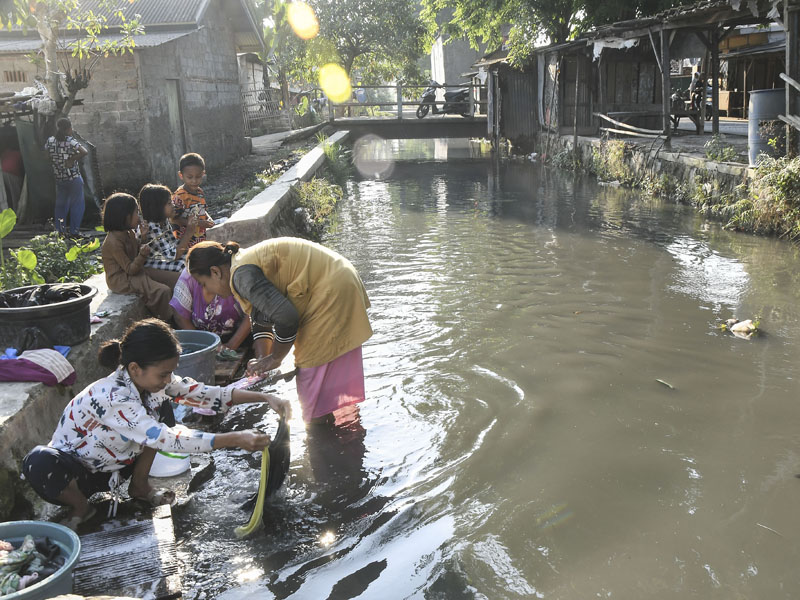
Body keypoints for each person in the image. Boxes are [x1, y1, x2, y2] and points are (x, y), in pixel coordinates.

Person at [22, 318, 290, 530]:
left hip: (112, 470)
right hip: (74, 474)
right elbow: (166, 439)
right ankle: (81, 508)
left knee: (160, 412)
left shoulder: (152, 383)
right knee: (38, 460)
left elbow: (208, 395)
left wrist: (265, 397)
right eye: (163, 373)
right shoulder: (112, 397)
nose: (168, 379)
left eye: (170, 372)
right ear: (136, 368)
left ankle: (140, 486)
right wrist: (235, 438)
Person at [186, 238, 372, 424]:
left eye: (203, 283)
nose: (206, 290)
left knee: (310, 380)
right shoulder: (240, 265)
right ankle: (344, 434)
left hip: (331, 291)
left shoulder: (240, 276)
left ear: (215, 272)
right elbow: (262, 318)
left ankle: (321, 436)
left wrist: (276, 357)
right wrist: (263, 361)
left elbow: (286, 318)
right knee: (324, 378)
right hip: (339, 279)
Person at [100, 193, 174, 320]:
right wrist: (142, 255)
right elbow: (130, 269)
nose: (139, 217)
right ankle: (169, 322)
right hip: (122, 279)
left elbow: (135, 254)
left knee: (176, 279)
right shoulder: (113, 242)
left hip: (136, 270)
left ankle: (182, 313)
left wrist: (144, 237)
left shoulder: (129, 233)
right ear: (124, 216)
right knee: (162, 291)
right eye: (136, 213)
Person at [169, 267, 257, 353]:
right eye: (201, 283)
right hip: (198, 338)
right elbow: (181, 318)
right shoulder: (190, 277)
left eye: (203, 283)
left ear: (215, 272)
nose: (202, 287)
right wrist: (204, 347)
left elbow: (251, 314)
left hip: (236, 337)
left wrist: (231, 345)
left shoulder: (237, 277)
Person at [139, 184, 198, 283]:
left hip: (165, 257)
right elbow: (173, 255)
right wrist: (189, 232)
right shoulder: (152, 227)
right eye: (169, 203)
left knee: (195, 256)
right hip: (151, 263)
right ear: (157, 208)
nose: (173, 205)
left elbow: (174, 244)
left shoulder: (164, 221)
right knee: (183, 266)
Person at [44, 117, 88, 236]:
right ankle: (74, 231)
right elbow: (84, 151)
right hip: (73, 178)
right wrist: (71, 159)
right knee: (77, 205)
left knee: (61, 206)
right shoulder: (70, 141)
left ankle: (60, 231)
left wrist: (57, 160)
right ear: (68, 129)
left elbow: (46, 157)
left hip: (59, 179)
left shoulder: (50, 141)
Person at [172, 153, 215, 249]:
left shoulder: (199, 192)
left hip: (199, 238)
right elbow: (174, 219)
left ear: (203, 174)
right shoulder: (179, 196)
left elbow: (202, 209)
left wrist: (208, 219)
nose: (194, 181)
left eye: (198, 176)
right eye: (190, 177)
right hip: (184, 241)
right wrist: (199, 223)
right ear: (181, 175)